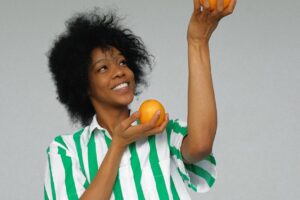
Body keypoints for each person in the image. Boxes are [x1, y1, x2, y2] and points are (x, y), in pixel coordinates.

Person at [43, 0, 236, 199]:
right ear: (83, 85)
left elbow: (201, 145)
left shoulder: (162, 129)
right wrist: (118, 144)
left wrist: (198, 42)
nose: (119, 71)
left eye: (122, 62)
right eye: (103, 68)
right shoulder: (66, 150)